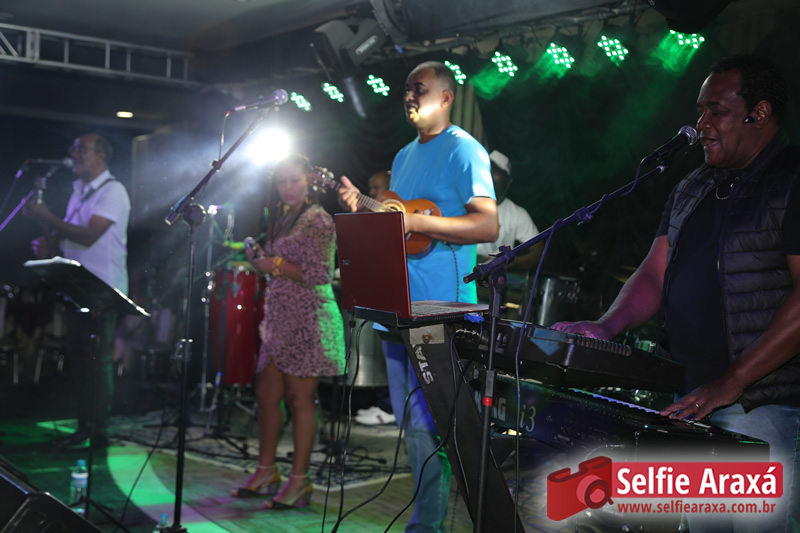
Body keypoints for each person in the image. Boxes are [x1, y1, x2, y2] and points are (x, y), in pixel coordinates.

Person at [552, 54, 799, 532]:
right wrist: (607, 326)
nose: (701, 124)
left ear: (760, 113)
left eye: (716, 111)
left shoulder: (792, 179)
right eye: (699, 111)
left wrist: (733, 380)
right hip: (689, 400)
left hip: (760, 406)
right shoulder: (693, 186)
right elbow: (654, 273)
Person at [338, 61, 498, 532]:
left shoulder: (464, 150)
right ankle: (426, 523)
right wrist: (364, 210)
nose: (409, 96)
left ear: (446, 97)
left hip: (440, 311)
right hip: (397, 309)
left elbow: (487, 224)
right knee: (414, 427)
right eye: (406, 89)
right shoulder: (404, 155)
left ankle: (439, 525)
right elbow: (397, 229)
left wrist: (418, 221)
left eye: (419, 88)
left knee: (439, 428)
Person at [232, 153, 346, 510]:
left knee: (300, 399)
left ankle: (300, 480)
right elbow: (279, 265)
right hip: (279, 318)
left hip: (307, 318)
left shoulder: (318, 219)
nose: (288, 187)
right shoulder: (283, 216)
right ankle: (266, 471)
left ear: (309, 181)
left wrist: (276, 264)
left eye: (295, 180)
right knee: (267, 393)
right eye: (282, 181)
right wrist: (261, 259)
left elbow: (320, 273)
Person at [23, 133, 131, 448]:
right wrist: (51, 244)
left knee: (96, 359)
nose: (74, 154)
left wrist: (48, 217)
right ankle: (85, 425)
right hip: (79, 286)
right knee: (80, 358)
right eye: (73, 149)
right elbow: (73, 241)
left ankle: (97, 429)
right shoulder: (79, 192)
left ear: (101, 155)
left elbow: (88, 236)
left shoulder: (113, 191)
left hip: (102, 288)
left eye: (81, 149)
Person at [476, 150, 542, 319]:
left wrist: (506, 264)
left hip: (489, 290)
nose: (489, 174)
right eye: (487, 169)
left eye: (496, 172)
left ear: (508, 180)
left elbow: (539, 251)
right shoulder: (465, 203)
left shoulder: (517, 214)